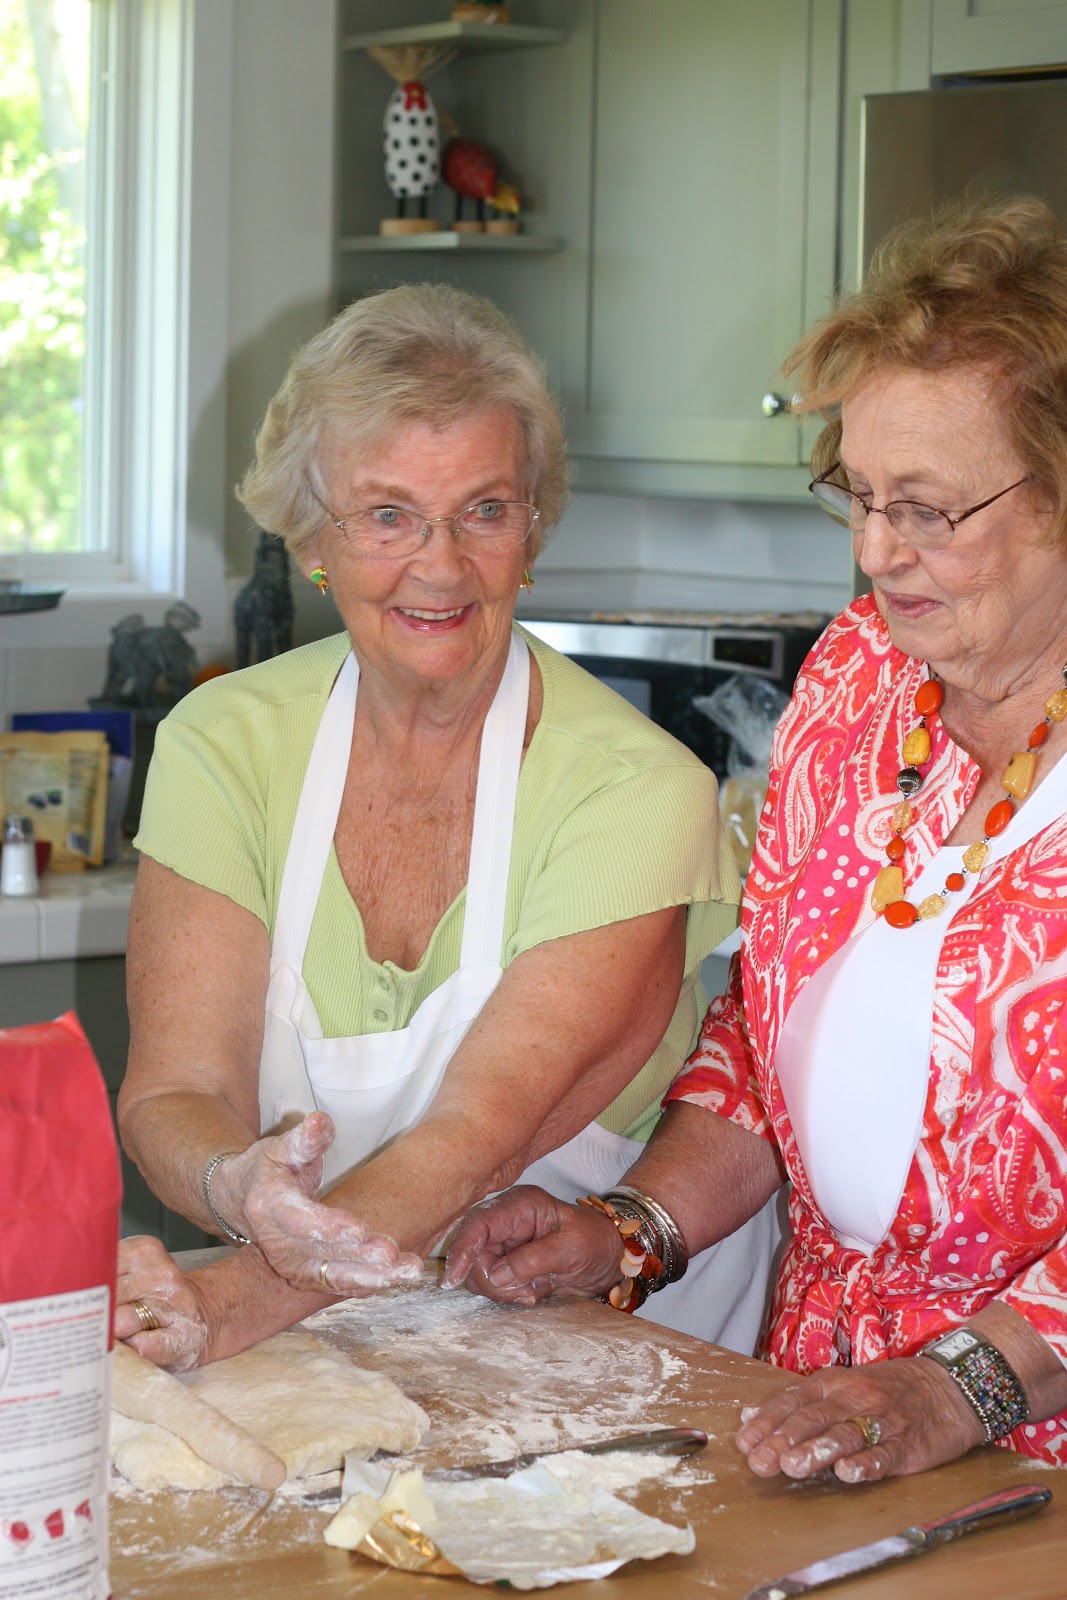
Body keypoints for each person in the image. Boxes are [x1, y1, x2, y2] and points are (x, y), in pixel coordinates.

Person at [445, 197, 1067, 1478]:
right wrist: (631, 1229)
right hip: (819, 1398)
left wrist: (950, 1389)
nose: (875, 552)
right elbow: (774, 1028)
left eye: (928, 509)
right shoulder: (857, 680)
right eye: (858, 493)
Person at [114, 282, 782, 1371]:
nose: (439, 565)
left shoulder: (636, 790)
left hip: (616, 1367)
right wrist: (226, 1180)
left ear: (532, 526)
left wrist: (230, 1297)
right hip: (346, 1347)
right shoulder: (220, 744)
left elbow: (476, 1138)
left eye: (483, 509)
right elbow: (175, 1089)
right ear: (311, 534)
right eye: (386, 514)